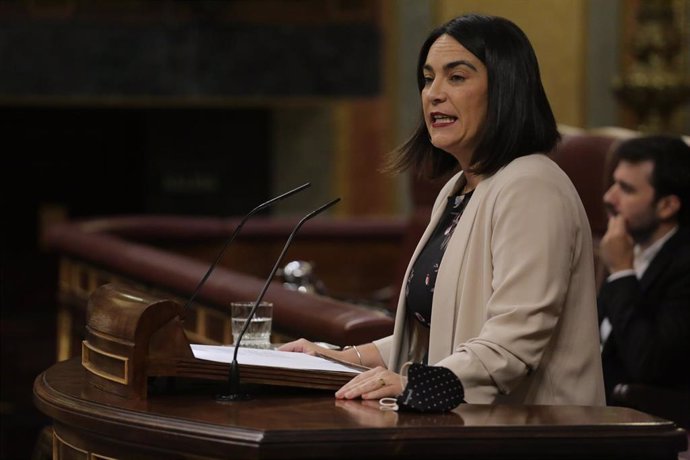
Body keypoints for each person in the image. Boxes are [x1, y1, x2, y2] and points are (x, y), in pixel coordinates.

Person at [280, 13, 605, 409]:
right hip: (470, 426)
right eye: (428, 77)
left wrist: (412, 384)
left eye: (456, 77)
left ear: (505, 88)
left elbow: (513, 343)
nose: (433, 93)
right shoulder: (459, 187)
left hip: (538, 433)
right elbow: (441, 333)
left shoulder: (532, 186)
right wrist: (339, 359)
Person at [598, 135, 690, 402]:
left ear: (667, 206)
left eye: (626, 189)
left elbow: (648, 363)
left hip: (644, 423)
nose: (608, 197)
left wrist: (622, 272)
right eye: (614, 182)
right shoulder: (629, 245)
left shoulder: (683, 265)